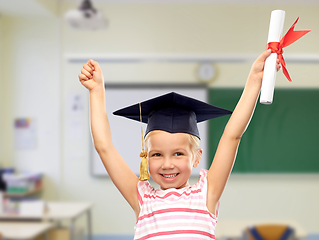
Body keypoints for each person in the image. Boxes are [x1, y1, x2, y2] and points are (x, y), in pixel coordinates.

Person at [78, 49, 280, 240]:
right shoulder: (142, 198)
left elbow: (232, 136)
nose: (167, 164)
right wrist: (96, 91)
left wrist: (255, 82)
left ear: (197, 156)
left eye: (178, 154)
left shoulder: (206, 193)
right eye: (156, 154)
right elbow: (104, 147)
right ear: (146, 157)